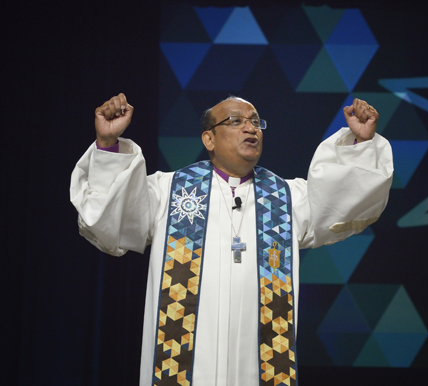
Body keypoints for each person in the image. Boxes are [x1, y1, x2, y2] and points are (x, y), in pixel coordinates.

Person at [70, 93, 393, 386]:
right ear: (209, 138)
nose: (250, 129)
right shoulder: (169, 192)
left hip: (261, 363)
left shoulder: (285, 198)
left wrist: (360, 144)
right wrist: (108, 143)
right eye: (236, 121)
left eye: (255, 122)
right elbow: (113, 215)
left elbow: (339, 202)